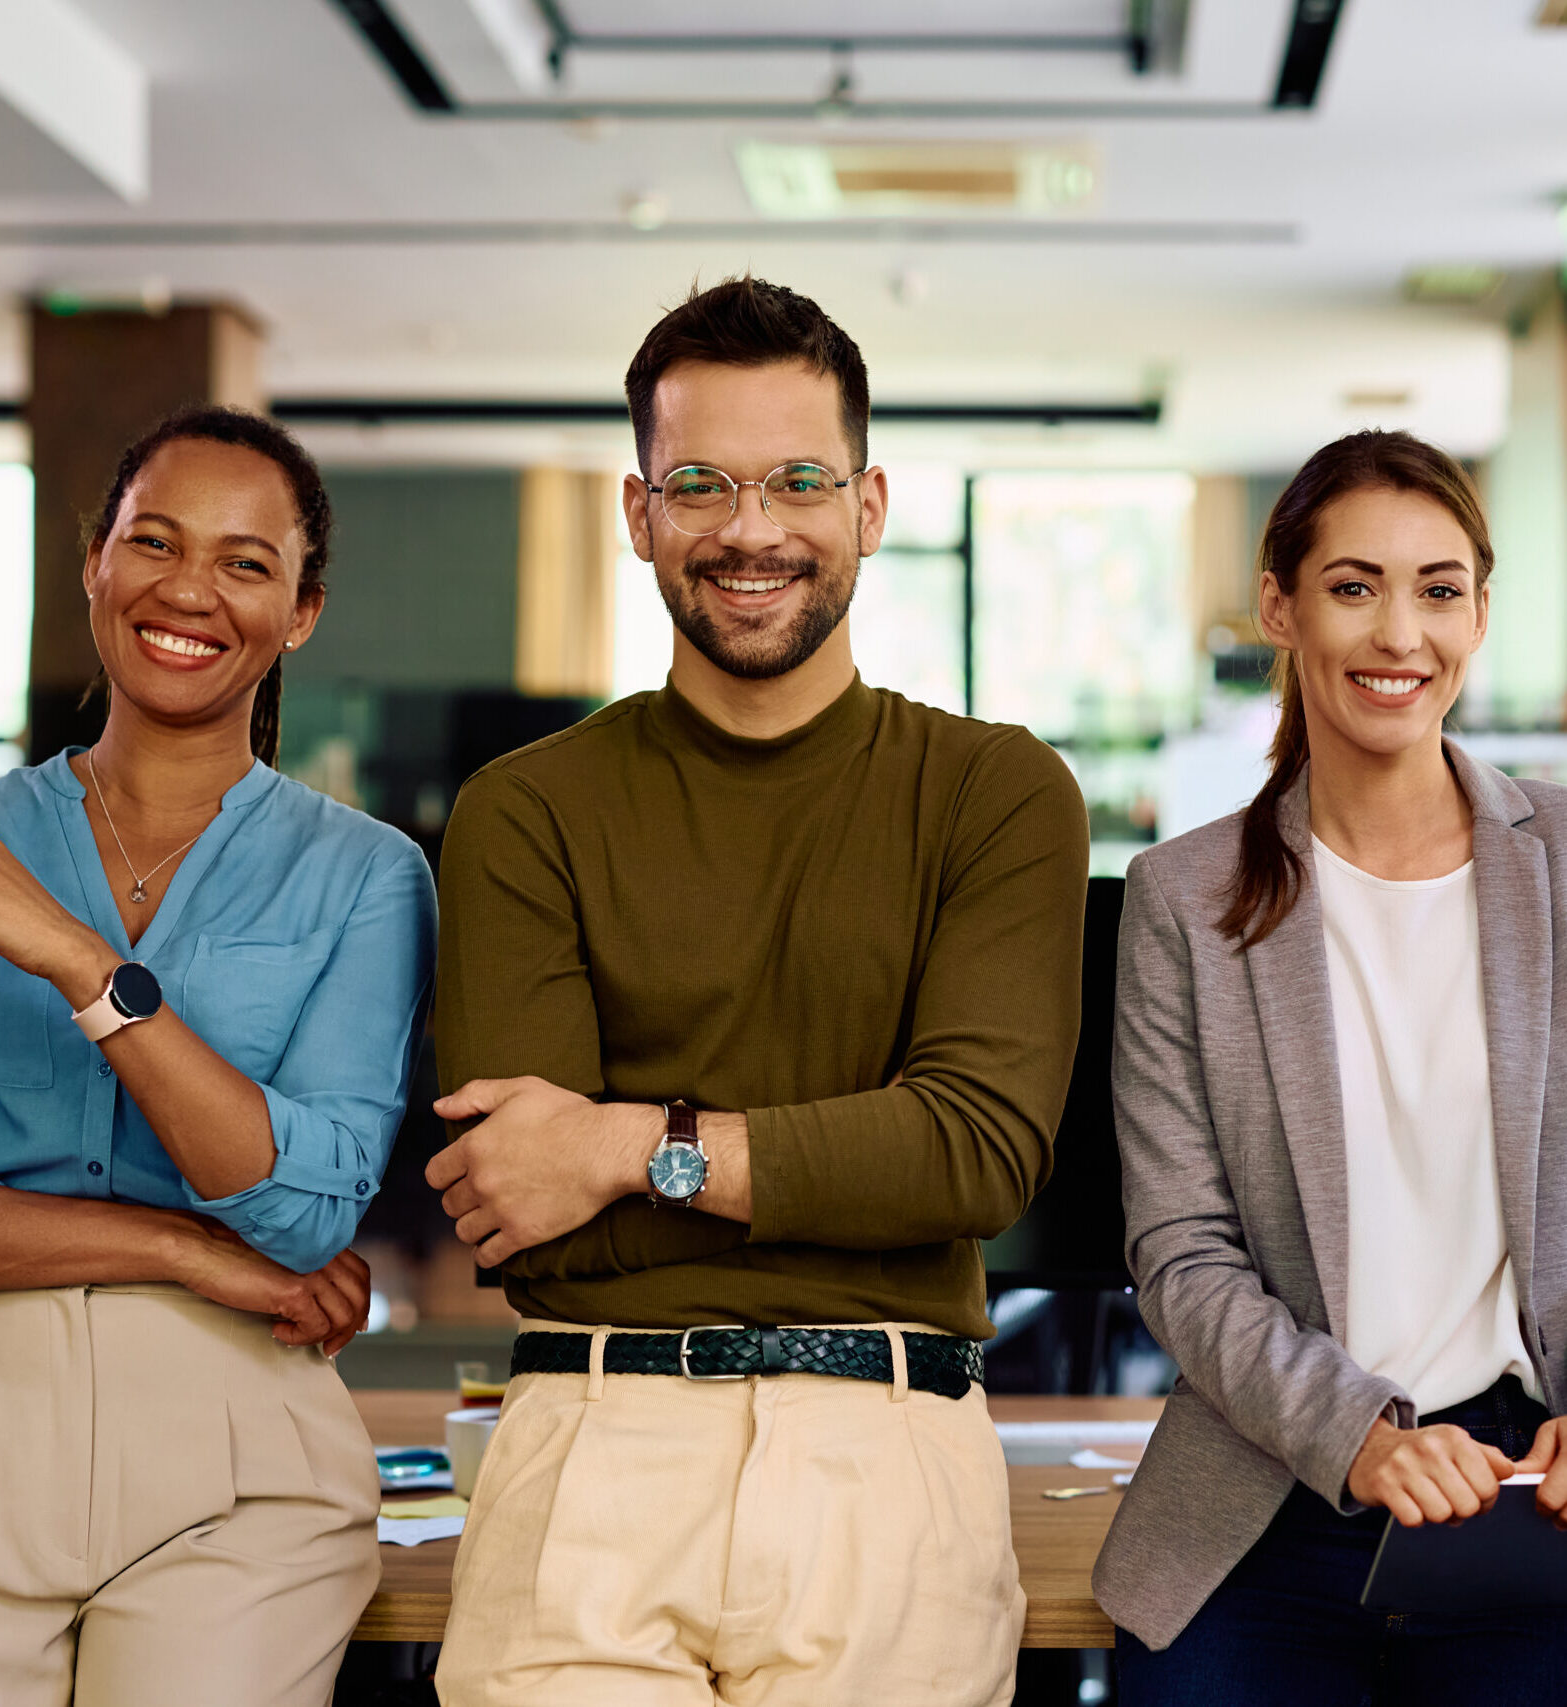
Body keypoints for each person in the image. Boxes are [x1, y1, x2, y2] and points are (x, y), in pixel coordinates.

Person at [426, 276, 1089, 1707]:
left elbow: (970, 1152)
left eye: (799, 478)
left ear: (869, 502)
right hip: (588, 1433)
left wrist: (618, 1143)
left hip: (889, 1448)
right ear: (636, 511)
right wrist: (841, 1164)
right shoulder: (524, 809)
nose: (749, 527)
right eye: (699, 483)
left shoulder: (994, 792)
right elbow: (525, 1220)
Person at [0, 406, 437, 1707]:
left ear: (301, 612)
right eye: (155, 542)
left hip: (239, 1440)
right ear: (94, 564)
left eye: (245, 562)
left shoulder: (365, 875)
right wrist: (183, 1249)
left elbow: (302, 1207)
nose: (189, 588)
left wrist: (79, 960)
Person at [1094, 429, 1567, 1701]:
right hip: (1272, 1489)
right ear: (1280, 608)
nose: (1399, 634)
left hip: (1534, 1493)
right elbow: (1181, 1255)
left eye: (1439, 588)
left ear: (1478, 611)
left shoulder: (1564, 863)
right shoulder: (1182, 898)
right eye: (1354, 586)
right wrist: (1356, 1438)